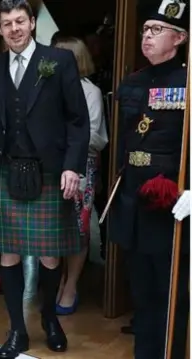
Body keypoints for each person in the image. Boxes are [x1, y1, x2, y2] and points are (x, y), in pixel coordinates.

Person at [0, 1, 90, 357]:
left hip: (50, 171)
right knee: (7, 255)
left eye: (20, 21)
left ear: (33, 22)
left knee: (50, 256)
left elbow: (77, 120)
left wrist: (73, 166)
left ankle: (49, 317)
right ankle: (17, 330)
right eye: (6, 23)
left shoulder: (59, 61)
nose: (14, 29)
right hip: (5, 171)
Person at [109, 1, 189, 357]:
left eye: (157, 30)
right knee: (140, 288)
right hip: (133, 199)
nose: (147, 37)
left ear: (180, 37)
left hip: (171, 201)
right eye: (145, 30)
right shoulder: (132, 83)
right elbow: (126, 140)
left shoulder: (187, 81)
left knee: (170, 289)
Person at [52, 36, 108, 315]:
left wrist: (65, 141)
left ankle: (70, 285)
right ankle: (54, 282)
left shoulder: (91, 92)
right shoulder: (44, 87)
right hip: (49, 169)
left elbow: (96, 137)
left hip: (80, 169)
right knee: (50, 229)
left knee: (78, 231)